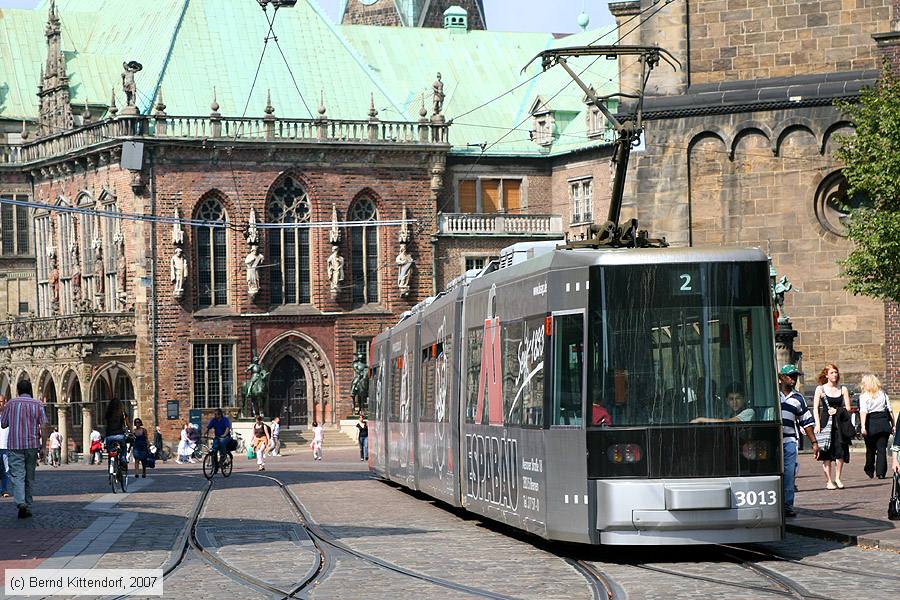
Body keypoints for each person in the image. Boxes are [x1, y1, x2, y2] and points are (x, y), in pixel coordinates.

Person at [0, 380, 48, 519]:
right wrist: (43, 446)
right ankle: (27, 502)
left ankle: (21, 502)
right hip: (32, 445)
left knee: (17, 475)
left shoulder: (10, 404)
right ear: (30, 390)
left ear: (18, 390)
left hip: (15, 446)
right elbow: (44, 426)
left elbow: (3, 424)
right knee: (29, 475)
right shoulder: (37, 404)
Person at [780, 364, 819, 518]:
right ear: (781, 377)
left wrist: (814, 443)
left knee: (789, 474)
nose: (794, 379)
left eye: (795, 376)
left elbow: (806, 422)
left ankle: (787, 505)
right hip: (773, 440)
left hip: (789, 440)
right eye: (790, 376)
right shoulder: (772, 394)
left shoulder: (798, 398)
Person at [813, 363, 852, 490]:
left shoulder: (843, 389)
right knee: (826, 453)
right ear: (826, 375)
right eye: (831, 373)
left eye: (836, 372)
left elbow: (848, 408)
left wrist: (838, 411)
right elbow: (815, 408)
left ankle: (838, 478)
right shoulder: (820, 389)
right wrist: (817, 424)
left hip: (839, 424)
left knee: (840, 451)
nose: (834, 375)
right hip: (825, 422)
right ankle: (829, 480)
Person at [859, 374, 894, 480]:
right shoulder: (883, 394)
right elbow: (890, 410)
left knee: (870, 448)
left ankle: (869, 468)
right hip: (883, 422)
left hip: (871, 422)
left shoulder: (864, 396)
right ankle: (881, 472)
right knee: (882, 449)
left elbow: (863, 411)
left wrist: (863, 426)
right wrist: (893, 424)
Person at [104, 397, 130, 472]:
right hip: (119, 435)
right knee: (123, 448)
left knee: (110, 452)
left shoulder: (108, 413)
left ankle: (110, 468)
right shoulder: (122, 413)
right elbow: (128, 424)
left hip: (109, 436)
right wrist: (131, 432)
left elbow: (106, 424)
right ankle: (123, 459)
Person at [0, 395, 9, 498]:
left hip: (6, 446)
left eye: (1, 401)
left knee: (6, 470)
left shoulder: (8, 415)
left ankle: (4, 490)